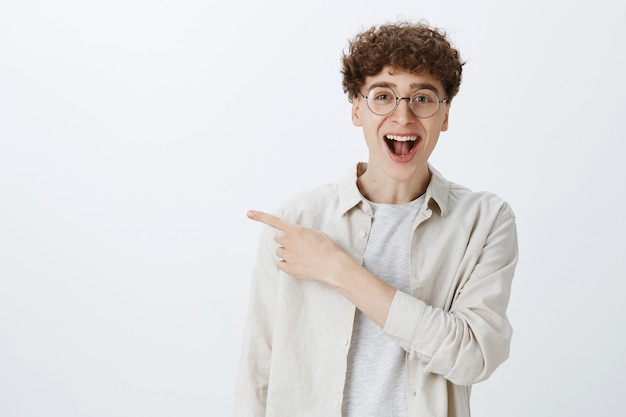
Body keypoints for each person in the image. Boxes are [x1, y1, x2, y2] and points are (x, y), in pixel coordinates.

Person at [234, 21, 518, 417]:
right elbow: (257, 371)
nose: (402, 116)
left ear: (445, 114)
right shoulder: (296, 221)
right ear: (356, 108)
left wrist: (338, 269)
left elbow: (473, 356)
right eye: (383, 96)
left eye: (423, 98)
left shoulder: (483, 221)